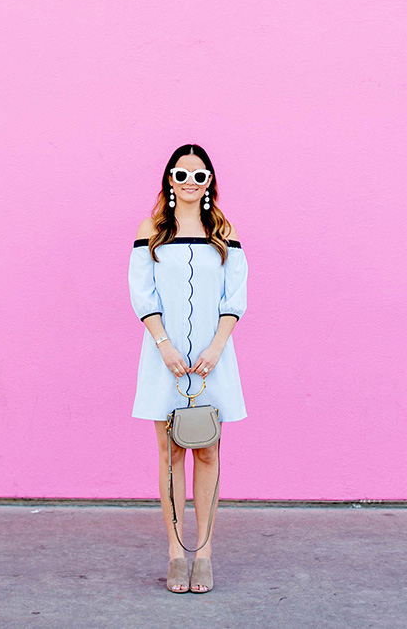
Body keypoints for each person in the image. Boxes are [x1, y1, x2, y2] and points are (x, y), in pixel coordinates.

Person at [128, 143, 248, 594]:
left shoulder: (224, 230)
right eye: (182, 174)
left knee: (210, 451)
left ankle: (206, 553)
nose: (190, 183)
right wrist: (163, 344)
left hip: (213, 360)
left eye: (200, 176)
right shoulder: (152, 230)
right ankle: (177, 551)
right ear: (169, 179)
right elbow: (143, 293)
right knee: (169, 452)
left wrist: (217, 347)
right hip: (165, 360)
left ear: (210, 182)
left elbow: (234, 295)